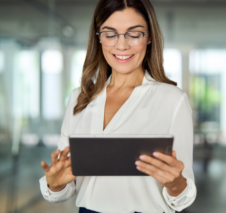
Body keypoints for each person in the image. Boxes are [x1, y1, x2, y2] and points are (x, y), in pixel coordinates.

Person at [39, 0, 196, 212]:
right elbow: (66, 187)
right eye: (110, 34)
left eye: (134, 34)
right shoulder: (79, 99)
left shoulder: (172, 100)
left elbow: (183, 196)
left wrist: (175, 183)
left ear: (149, 38)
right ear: (99, 38)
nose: (121, 45)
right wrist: (55, 183)